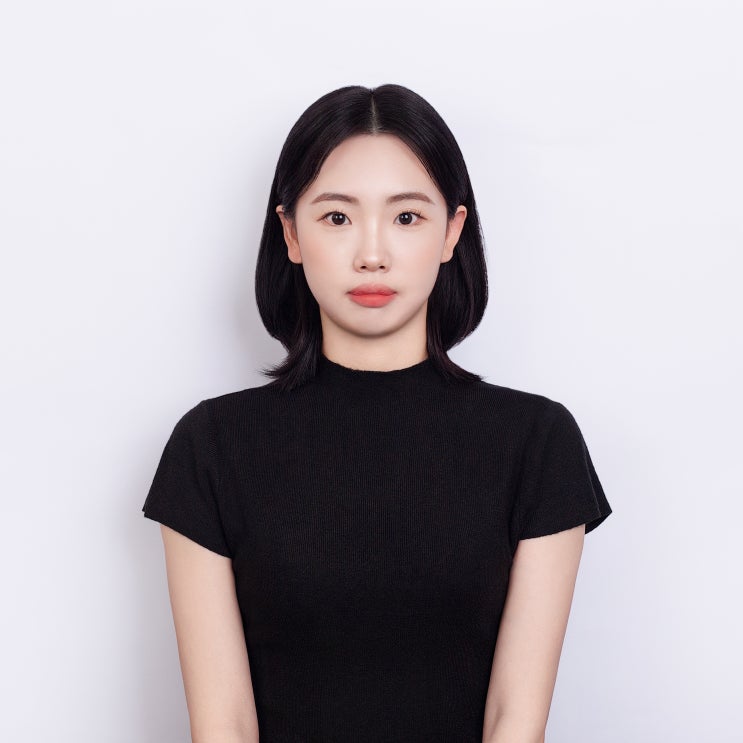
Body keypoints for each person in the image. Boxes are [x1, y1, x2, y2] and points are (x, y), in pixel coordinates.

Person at [142, 83, 612, 743]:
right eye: (337, 217)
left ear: (451, 232)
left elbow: (514, 719)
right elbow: (224, 725)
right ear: (290, 233)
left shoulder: (536, 443)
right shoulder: (211, 447)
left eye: (406, 217)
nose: (371, 253)